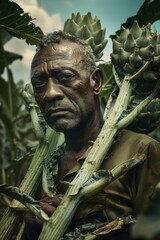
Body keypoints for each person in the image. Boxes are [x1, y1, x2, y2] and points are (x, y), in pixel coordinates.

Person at [22, 31, 160, 239]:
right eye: (39, 83)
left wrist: (74, 222)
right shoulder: (32, 170)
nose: (50, 93)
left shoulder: (141, 152)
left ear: (96, 82)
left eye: (65, 77)